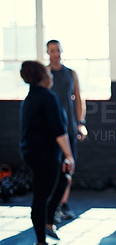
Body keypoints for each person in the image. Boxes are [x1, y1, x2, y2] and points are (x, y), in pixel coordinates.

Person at [19, 60, 75, 245]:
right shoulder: (47, 97)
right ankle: (41, 240)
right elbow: (59, 130)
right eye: (48, 73)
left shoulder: (31, 97)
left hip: (36, 153)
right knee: (41, 196)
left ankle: (48, 224)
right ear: (42, 77)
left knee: (62, 180)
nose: (51, 76)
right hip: (42, 155)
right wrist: (69, 155)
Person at [46, 40, 87, 222]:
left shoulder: (71, 74)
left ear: (61, 51)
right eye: (52, 51)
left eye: (58, 50)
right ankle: (52, 206)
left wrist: (80, 122)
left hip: (69, 128)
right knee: (52, 170)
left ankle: (63, 204)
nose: (56, 54)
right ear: (47, 52)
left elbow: (78, 99)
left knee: (68, 168)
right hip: (49, 132)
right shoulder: (44, 74)